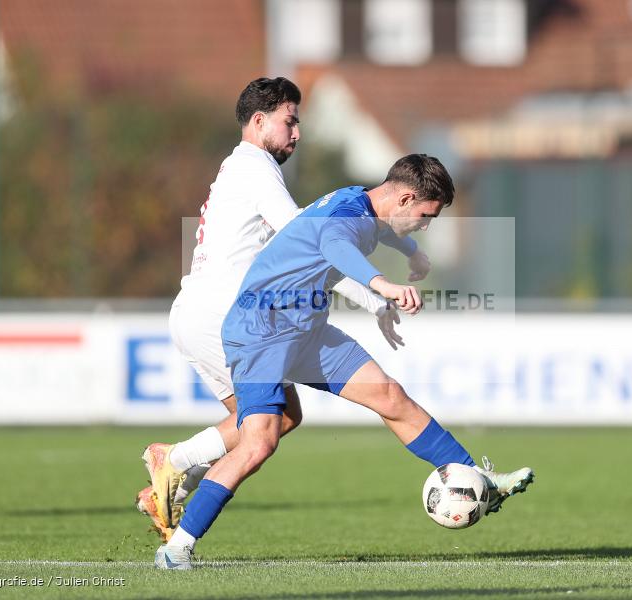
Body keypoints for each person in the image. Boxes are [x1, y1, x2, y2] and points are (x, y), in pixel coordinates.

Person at [154, 154, 534, 570]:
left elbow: (377, 232)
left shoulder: (362, 202)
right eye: (426, 216)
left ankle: (478, 477)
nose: (425, 225)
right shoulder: (347, 219)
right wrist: (383, 284)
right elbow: (335, 246)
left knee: (390, 396)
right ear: (406, 198)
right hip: (260, 330)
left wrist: (412, 252)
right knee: (259, 442)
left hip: (306, 332)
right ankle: (177, 548)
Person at [136, 77, 426, 540]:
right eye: (289, 122)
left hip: (199, 311)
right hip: (222, 313)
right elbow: (310, 242)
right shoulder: (254, 168)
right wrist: (375, 296)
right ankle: (174, 464)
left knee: (281, 416)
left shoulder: (242, 167)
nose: (296, 133)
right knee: (264, 428)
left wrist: (404, 250)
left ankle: (173, 476)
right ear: (258, 121)